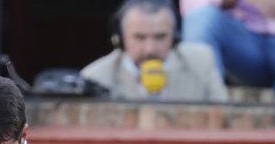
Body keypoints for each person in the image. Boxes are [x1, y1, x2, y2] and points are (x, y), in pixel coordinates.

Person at [81, 0, 229, 101]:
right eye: (139, 37)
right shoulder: (95, 77)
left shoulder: (202, 62)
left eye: (160, 37)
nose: (150, 49)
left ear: (175, 37)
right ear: (120, 38)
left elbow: (224, 119)